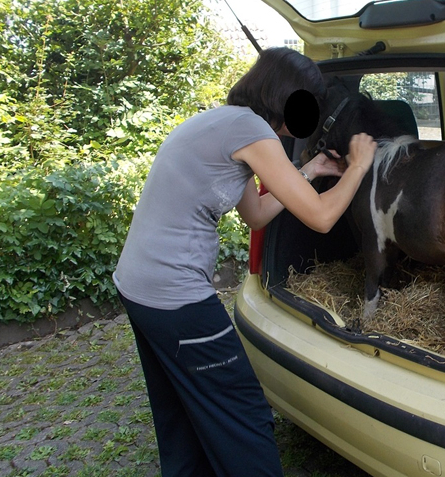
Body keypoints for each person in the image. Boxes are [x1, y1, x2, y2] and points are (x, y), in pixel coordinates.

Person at [113, 47, 377, 476]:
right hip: (174, 295)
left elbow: (255, 214)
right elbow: (324, 217)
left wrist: (308, 171)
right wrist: (358, 167)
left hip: (139, 287)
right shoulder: (253, 131)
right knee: (243, 412)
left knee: (181, 413)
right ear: (287, 96)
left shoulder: (226, 123)